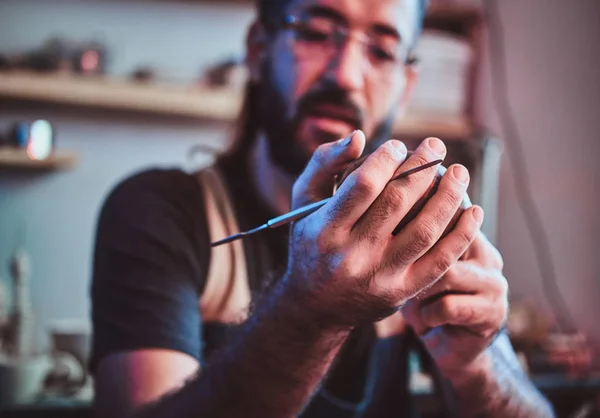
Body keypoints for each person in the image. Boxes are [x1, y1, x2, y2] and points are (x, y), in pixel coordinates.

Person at [89, 0, 556, 417]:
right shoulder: (162, 211)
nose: (346, 75)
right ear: (257, 49)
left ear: (406, 83)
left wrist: (477, 363)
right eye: (315, 32)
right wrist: (310, 309)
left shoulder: (414, 231)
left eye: (381, 51)